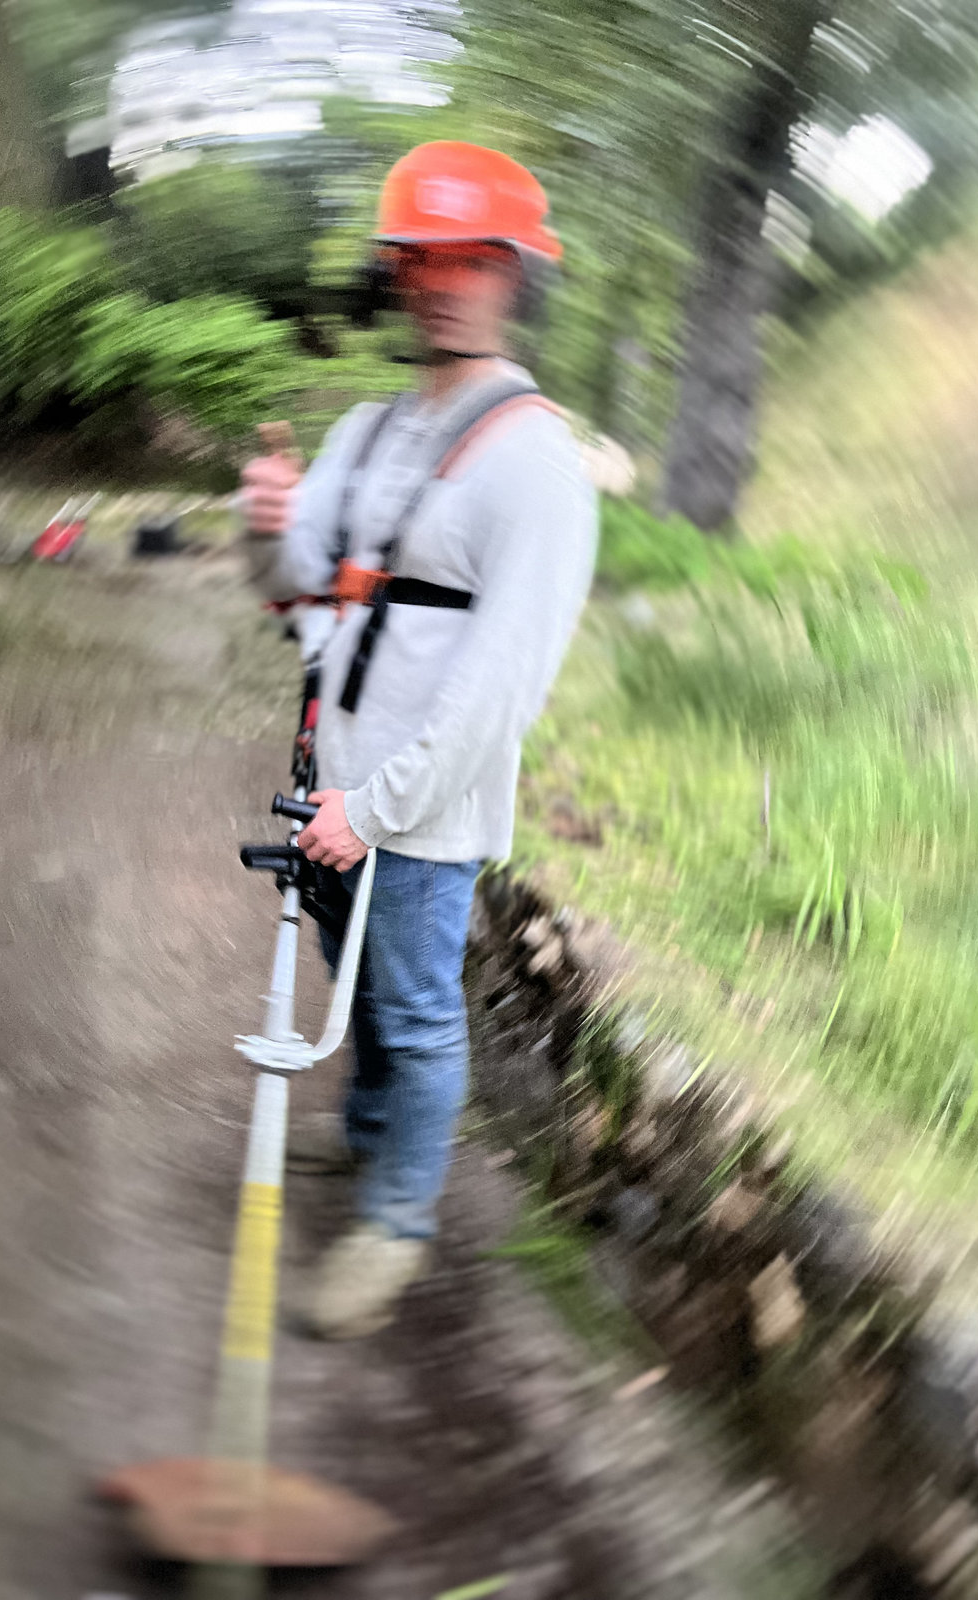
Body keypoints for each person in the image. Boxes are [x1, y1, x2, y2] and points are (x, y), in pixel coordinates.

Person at [241, 141, 596, 1339]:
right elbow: (298, 593)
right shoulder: (369, 429)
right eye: (423, 259)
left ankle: (397, 1223)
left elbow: (501, 688)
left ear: (515, 275)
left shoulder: (538, 467)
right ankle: (366, 1146)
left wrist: (378, 808)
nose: (446, 281)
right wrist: (268, 525)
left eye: (474, 259)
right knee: (355, 984)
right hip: (333, 784)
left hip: (417, 811)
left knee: (414, 1009)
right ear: (397, 274)